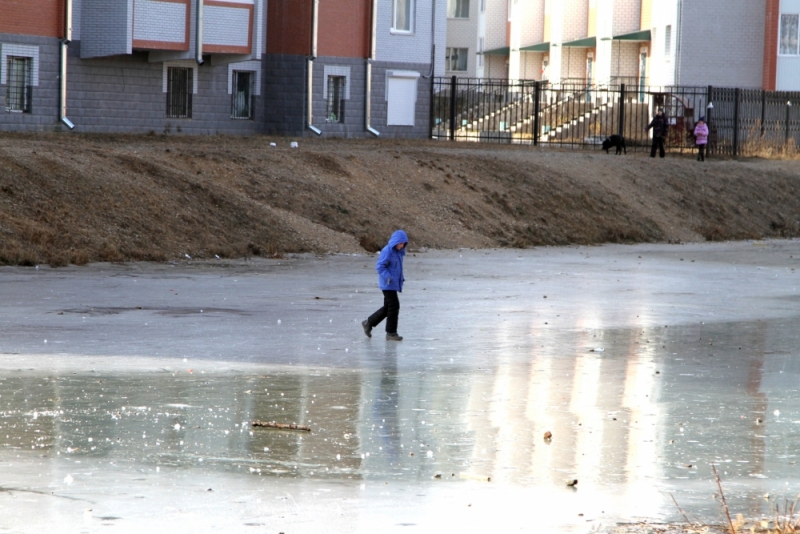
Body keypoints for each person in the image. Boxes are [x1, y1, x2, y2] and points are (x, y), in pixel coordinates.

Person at [362, 230, 408, 341]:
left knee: (388, 308)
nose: (402, 245)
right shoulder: (387, 251)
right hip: (387, 284)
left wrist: (399, 279)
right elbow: (380, 267)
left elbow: (397, 269)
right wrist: (388, 277)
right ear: (395, 242)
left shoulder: (398, 252)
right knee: (394, 306)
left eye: (403, 243)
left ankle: (369, 323)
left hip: (393, 284)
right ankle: (391, 333)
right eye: (400, 243)